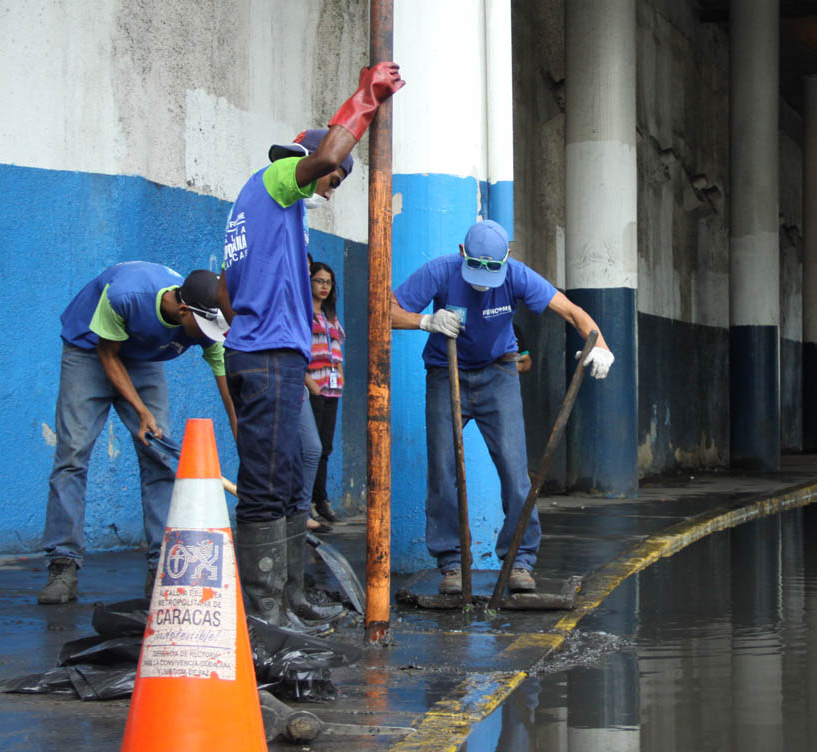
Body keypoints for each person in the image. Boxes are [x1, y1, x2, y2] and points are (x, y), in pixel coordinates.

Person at [215, 61, 403, 627]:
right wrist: (366, 98)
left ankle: (289, 598)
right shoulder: (276, 182)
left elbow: (226, 290)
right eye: (335, 176)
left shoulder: (258, 215)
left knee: (291, 476)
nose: (333, 183)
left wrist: (266, 332)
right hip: (268, 357)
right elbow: (321, 156)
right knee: (267, 485)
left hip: (272, 355)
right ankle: (266, 613)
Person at [390, 219, 614, 594]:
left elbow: (573, 312)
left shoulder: (518, 275)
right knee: (444, 470)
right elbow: (386, 311)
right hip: (447, 373)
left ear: (506, 259)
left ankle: (519, 561)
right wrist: (424, 320)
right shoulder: (440, 271)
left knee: (515, 470)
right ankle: (450, 565)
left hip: (499, 375)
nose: (482, 282)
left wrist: (602, 345)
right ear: (462, 254)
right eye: (476, 271)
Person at [38, 262, 235, 604]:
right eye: (201, 327)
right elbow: (108, 354)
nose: (206, 336)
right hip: (91, 350)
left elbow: (228, 391)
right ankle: (63, 563)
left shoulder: (206, 320)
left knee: (159, 457)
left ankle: (161, 567)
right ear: (184, 310)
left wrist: (245, 438)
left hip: (143, 359)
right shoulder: (126, 296)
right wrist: (141, 412)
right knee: (73, 454)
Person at [307, 260, 345, 524]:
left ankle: (320, 498)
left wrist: (340, 374)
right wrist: (310, 383)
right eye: (319, 280)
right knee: (311, 447)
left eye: (328, 282)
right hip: (312, 388)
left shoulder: (331, 315)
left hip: (332, 389)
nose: (324, 286)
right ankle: (306, 500)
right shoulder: (302, 313)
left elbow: (337, 350)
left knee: (325, 448)